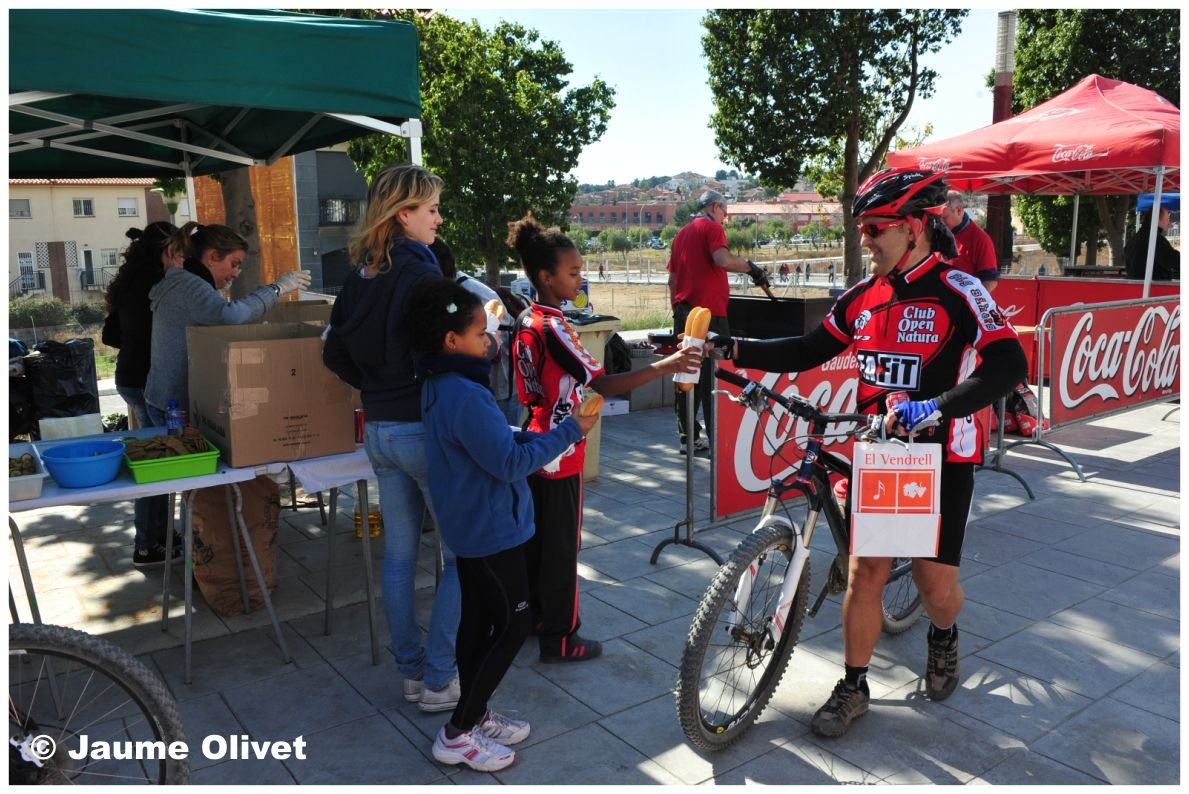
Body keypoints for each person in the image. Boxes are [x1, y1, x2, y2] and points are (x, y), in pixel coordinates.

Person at [709, 168, 1026, 738]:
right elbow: (808, 349)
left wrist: (936, 407)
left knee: (935, 590)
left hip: (941, 456)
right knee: (865, 575)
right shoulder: (862, 296)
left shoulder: (960, 289)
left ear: (912, 228)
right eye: (861, 228)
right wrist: (730, 347)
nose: (865, 239)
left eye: (875, 228)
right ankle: (854, 685)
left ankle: (944, 634)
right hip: (882, 455)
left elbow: (1009, 365)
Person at [408, 278, 599, 772]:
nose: (489, 342)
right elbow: (510, 465)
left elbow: (484, 445)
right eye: (479, 336)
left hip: (470, 523)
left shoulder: (436, 382)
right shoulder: (464, 394)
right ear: (451, 342)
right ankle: (457, 733)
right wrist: (569, 431)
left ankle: (472, 713)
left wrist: (515, 433)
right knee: (514, 623)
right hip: (490, 527)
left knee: (477, 621)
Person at [508, 213, 701, 663]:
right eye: (573, 272)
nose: (581, 279)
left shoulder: (527, 319)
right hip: (561, 450)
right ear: (545, 276)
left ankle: (537, 618)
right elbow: (604, 385)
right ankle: (561, 637)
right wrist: (667, 367)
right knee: (561, 551)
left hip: (534, 441)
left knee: (537, 544)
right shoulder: (554, 326)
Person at [322, 164, 462, 714]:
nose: (438, 218)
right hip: (419, 427)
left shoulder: (362, 274)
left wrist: (376, 386)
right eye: (430, 209)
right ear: (403, 214)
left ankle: (412, 673)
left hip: (378, 429)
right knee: (463, 558)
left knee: (400, 556)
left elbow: (333, 351)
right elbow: (451, 344)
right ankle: (437, 678)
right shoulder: (420, 271)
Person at [145, 222, 308, 426]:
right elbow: (229, 316)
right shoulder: (190, 284)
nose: (236, 273)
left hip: (165, 398)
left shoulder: (182, 280)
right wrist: (276, 289)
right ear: (213, 257)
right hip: (174, 406)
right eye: (234, 263)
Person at [102, 222, 182, 568]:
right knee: (157, 466)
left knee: (155, 461)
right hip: (149, 382)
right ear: (167, 252)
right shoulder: (160, 286)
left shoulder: (127, 283)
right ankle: (149, 543)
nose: (181, 261)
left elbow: (111, 334)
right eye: (179, 254)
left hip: (128, 378)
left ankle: (159, 535)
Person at [666, 190, 769, 454]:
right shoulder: (711, 228)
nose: (726, 217)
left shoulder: (681, 234)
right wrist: (751, 267)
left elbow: (672, 280)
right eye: (725, 211)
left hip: (685, 313)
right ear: (715, 207)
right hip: (710, 315)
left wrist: (678, 308)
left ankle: (687, 437)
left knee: (687, 374)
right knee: (714, 377)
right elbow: (722, 260)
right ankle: (717, 437)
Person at [431, 238, 524, 426]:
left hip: (500, 388)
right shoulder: (454, 288)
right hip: (487, 387)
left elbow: (494, 345)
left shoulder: (469, 292)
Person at [941, 190, 1000, 291]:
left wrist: (970, 303)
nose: (941, 222)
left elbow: (990, 281)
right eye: (938, 218)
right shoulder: (940, 232)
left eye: (944, 218)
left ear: (959, 210)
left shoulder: (980, 239)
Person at [1124, 205, 1179, 281]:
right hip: (1153, 289)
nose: (1169, 223)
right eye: (1167, 219)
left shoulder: (1134, 239)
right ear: (1157, 220)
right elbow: (1174, 260)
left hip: (1133, 287)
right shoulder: (1155, 239)